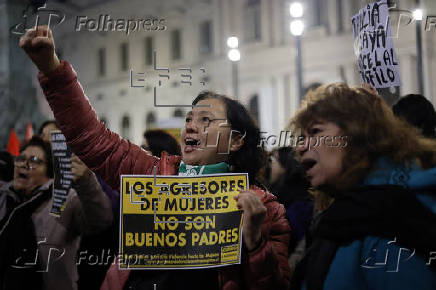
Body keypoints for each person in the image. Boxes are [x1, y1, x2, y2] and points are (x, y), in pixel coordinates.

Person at [19, 26, 291, 290]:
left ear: (236, 140)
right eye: (188, 119)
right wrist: (52, 69)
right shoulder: (151, 175)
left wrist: (256, 244)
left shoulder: (266, 211)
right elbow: (92, 137)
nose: (190, 127)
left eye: (205, 119)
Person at [288, 83, 436, 290]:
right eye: (302, 137)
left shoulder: (393, 222)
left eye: (315, 131)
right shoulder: (347, 216)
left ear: (357, 134)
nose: (301, 147)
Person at [0, 136, 113, 290]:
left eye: (34, 160)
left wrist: (87, 182)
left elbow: (100, 220)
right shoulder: (3, 199)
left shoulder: (64, 200)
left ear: (49, 171)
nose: (24, 165)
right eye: (21, 158)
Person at [267, 147, 313, 254]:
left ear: (285, 164)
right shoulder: (297, 194)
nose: (270, 166)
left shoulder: (296, 203)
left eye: (273, 160)